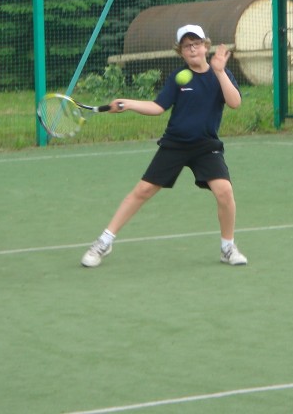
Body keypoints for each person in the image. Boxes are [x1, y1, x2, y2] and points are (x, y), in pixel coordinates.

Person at [81, 23, 248, 268]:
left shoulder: (220, 74)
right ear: (181, 52)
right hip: (176, 144)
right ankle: (104, 242)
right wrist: (129, 104)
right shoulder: (177, 78)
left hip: (206, 146)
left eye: (196, 44)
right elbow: (158, 107)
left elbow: (235, 103)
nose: (192, 49)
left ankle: (228, 248)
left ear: (206, 46)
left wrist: (220, 72)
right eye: (187, 46)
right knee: (143, 191)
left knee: (225, 191)